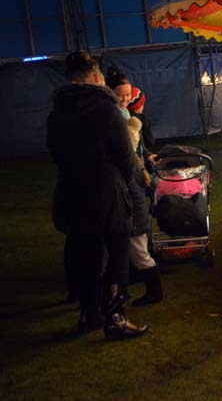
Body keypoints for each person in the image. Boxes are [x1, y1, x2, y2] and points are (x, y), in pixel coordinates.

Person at [47, 51, 149, 339]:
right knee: (117, 253)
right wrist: (127, 183)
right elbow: (125, 158)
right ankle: (115, 316)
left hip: (72, 193)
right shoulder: (104, 110)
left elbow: (54, 153)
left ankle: (88, 313)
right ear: (94, 77)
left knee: (85, 255)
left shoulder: (58, 112)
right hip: (107, 194)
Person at [124, 117, 163, 305]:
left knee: (140, 254)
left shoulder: (129, 166)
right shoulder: (135, 163)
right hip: (135, 216)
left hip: (133, 217)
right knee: (138, 253)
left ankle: (154, 293)